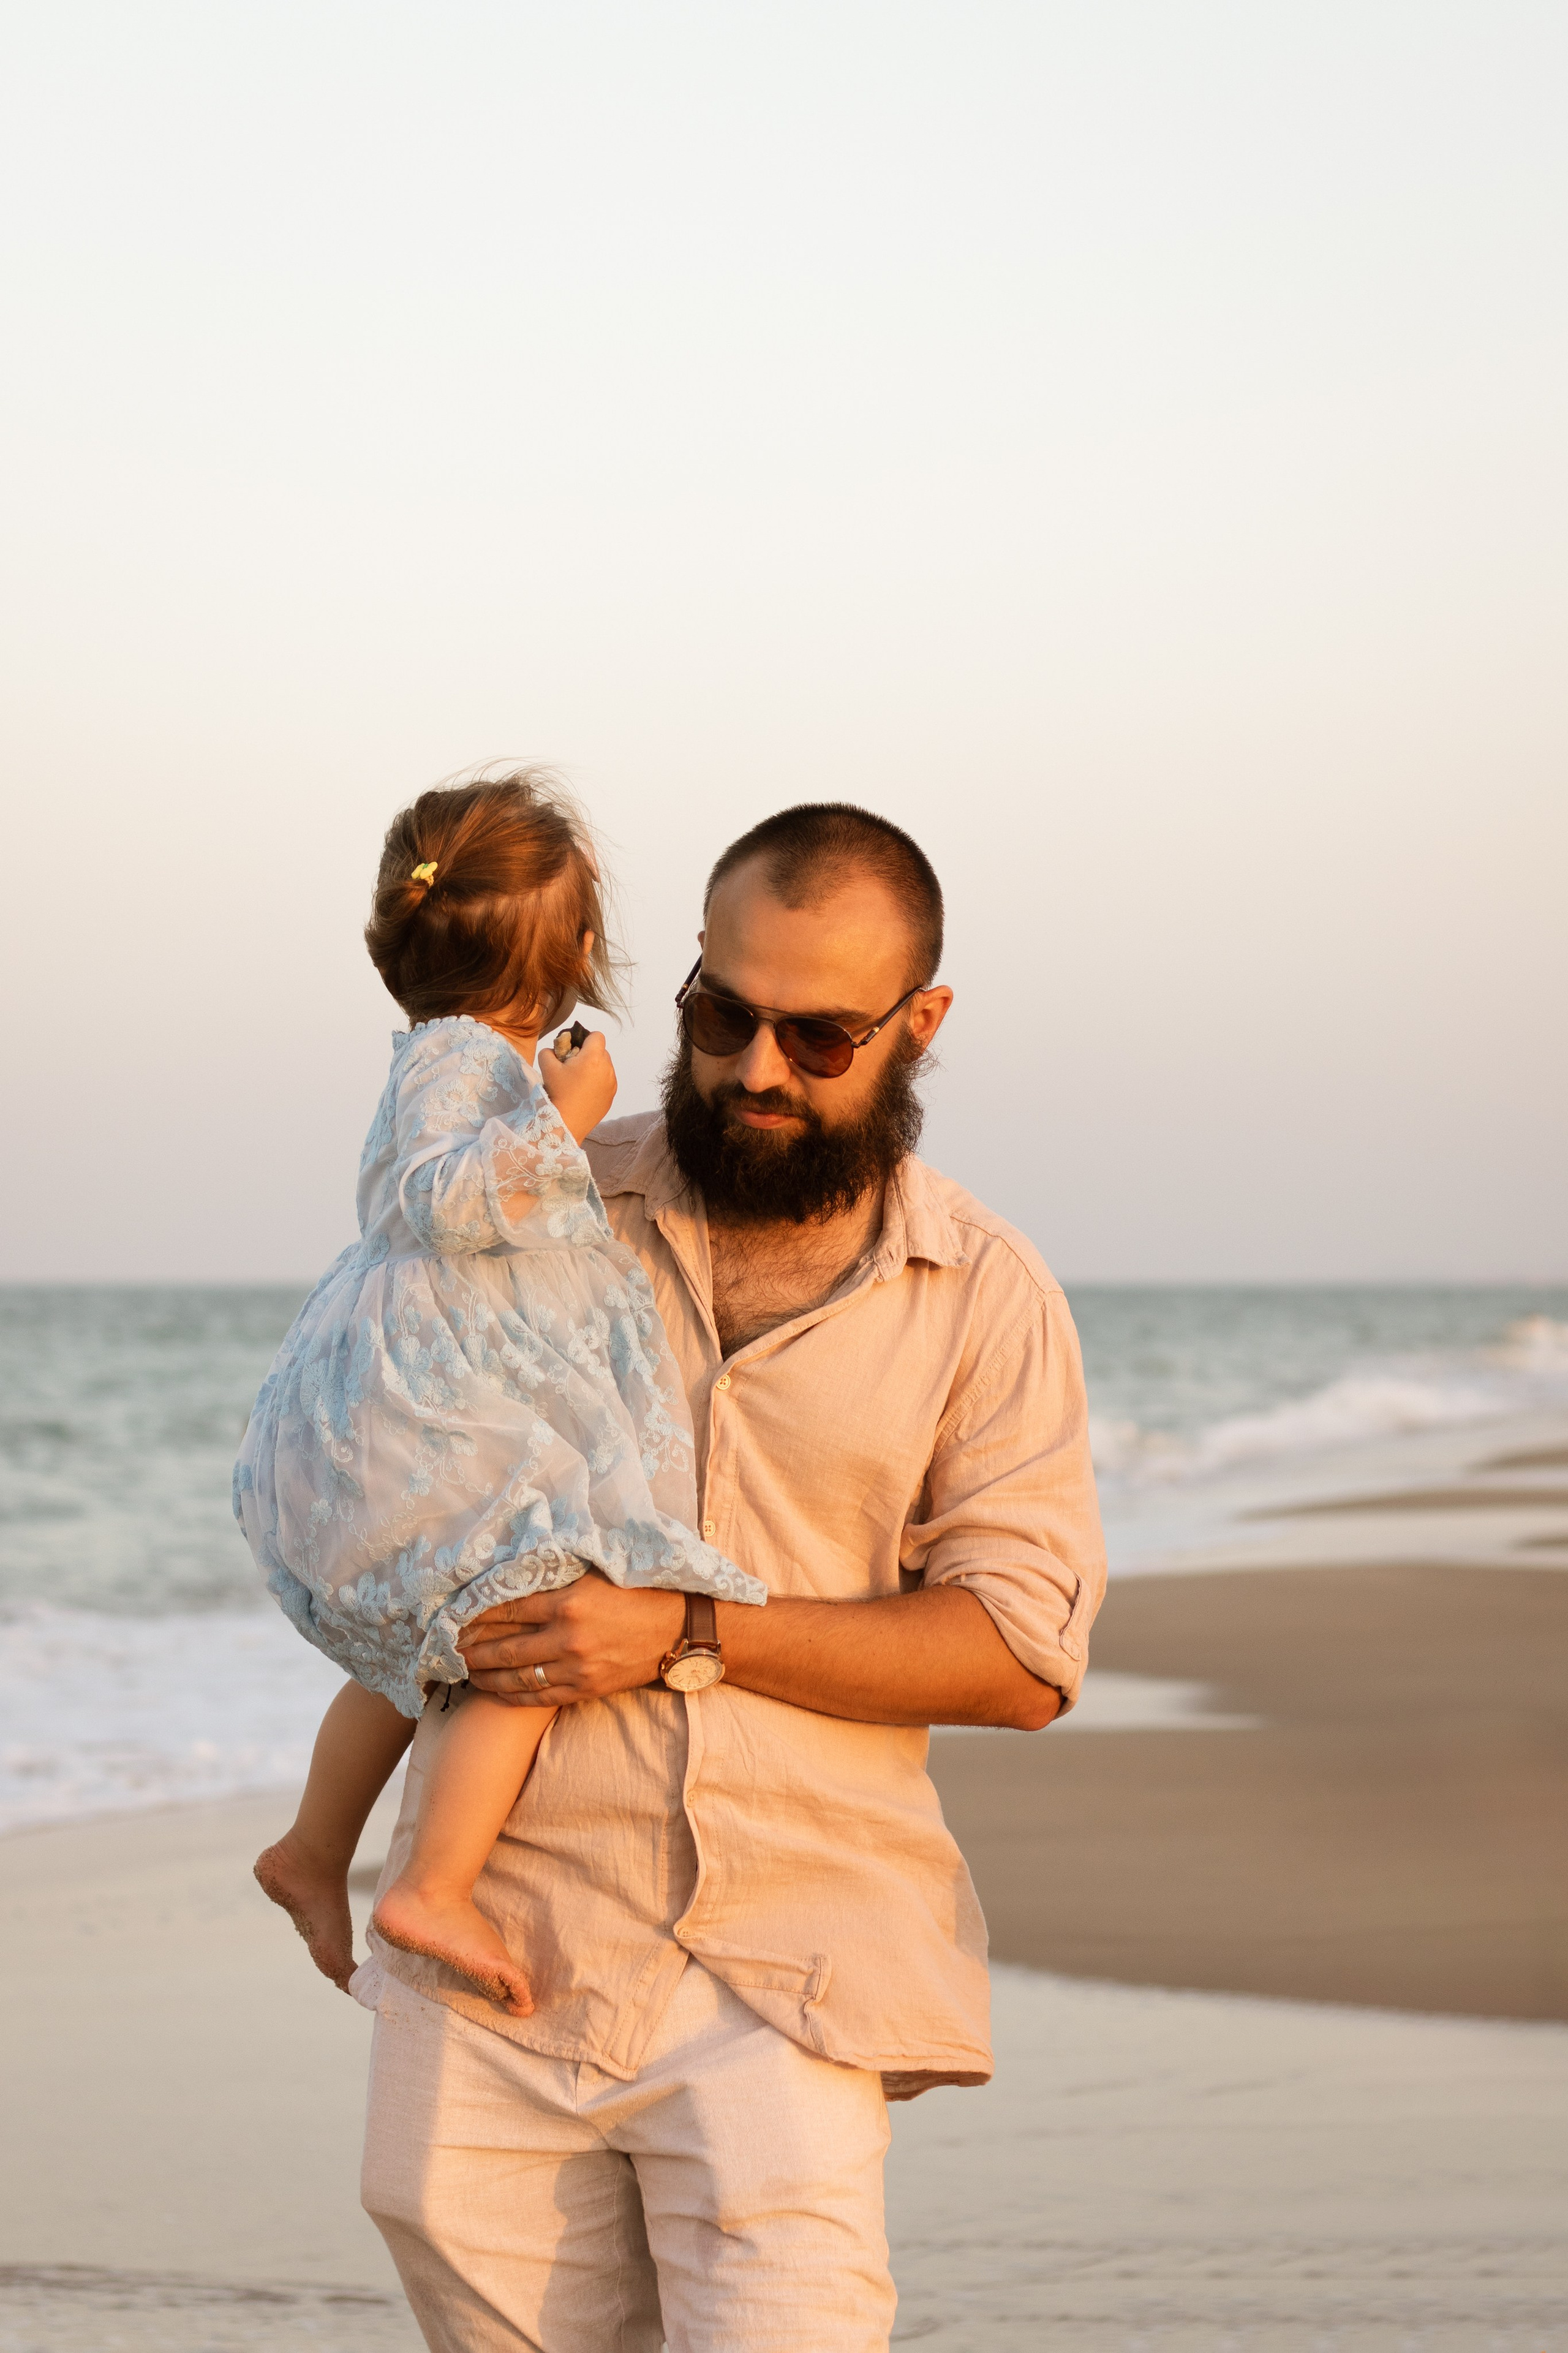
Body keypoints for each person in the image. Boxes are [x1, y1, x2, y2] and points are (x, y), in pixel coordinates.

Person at [352, 799, 1107, 2352]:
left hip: (789, 1976)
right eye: (719, 1014)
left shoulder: (985, 1297)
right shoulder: (535, 1202)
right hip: (497, 1964)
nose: (752, 1068)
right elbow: (407, 1487)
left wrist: (686, 1632)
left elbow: (1019, 1656)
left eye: (817, 1039)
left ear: (918, 1024)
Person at [234, 772, 765, 2017]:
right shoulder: (461, 1065)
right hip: (435, 1394)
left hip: (423, 1384)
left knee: (431, 1636)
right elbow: (447, 1198)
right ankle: (430, 1879)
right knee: (526, 1612)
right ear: (579, 948)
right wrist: (561, 1120)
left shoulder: (458, 1054)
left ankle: (312, 1850)